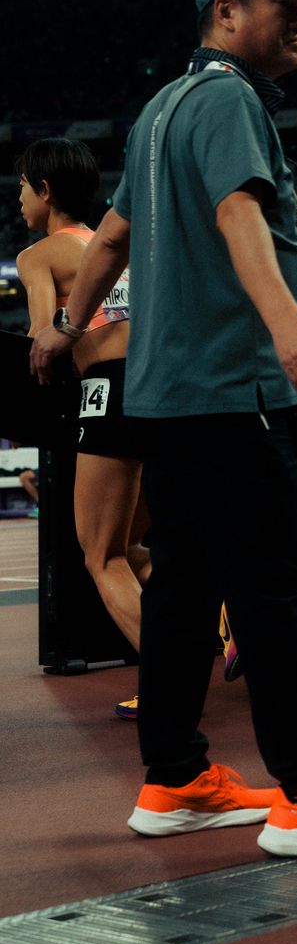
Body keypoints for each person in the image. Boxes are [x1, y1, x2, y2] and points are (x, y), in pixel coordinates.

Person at [32, 0, 297, 856]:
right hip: (229, 385)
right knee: (272, 589)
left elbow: (115, 236)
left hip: (166, 396)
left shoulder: (161, 108)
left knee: (182, 589)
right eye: (276, 1)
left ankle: (173, 778)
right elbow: (239, 215)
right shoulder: (228, 100)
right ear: (223, 13)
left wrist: (63, 324)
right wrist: (292, 327)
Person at [16, 137, 144, 719]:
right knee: (137, 547)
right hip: (158, 389)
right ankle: (217, 618)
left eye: (22, 186)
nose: (18, 199)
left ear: (44, 191)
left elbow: (44, 339)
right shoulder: (115, 244)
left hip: (108, 392)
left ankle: (172, 684)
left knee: (101, 557)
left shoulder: (39, 255)